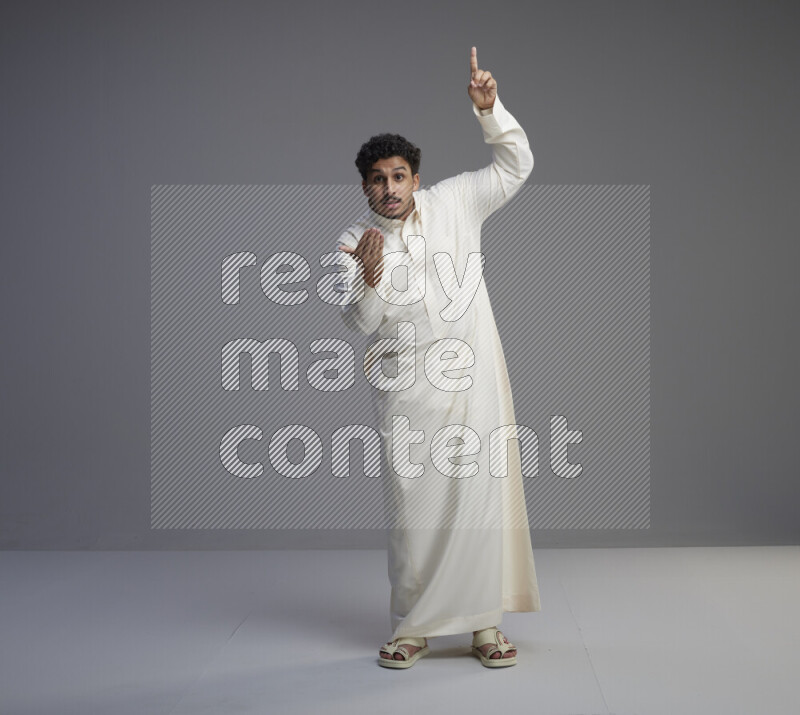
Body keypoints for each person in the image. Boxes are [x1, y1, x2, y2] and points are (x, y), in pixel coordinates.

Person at [336, 47, 541, 669]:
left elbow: (516, 165)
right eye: (378, 179)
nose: (389, 188)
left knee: (479, 501)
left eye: (398, 176)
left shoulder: (457, 202)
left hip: (474, 381)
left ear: (416, 179)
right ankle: (413, 629)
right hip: (407, 393)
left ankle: (484, 627)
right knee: (413, 512)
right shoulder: (353, 241)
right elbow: (358, 323)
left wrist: (490, 110)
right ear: (365, 187)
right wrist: (369, 278)